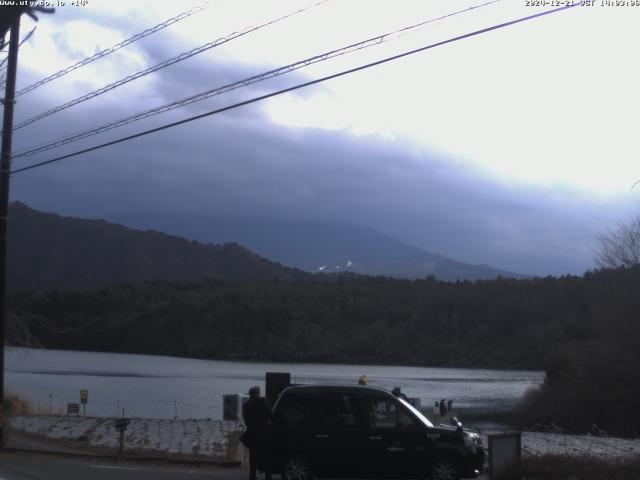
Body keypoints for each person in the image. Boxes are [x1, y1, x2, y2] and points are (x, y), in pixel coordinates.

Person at [242, 386, 273, 480]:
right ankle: (268, 476)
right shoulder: (264, 401)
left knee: (253, 457)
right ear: (257, 393)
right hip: (264, 434)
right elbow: (270, 415)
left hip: (252, 434)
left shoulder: (245, 405)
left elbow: (246, 422)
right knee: (267, 456)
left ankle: (252, 476)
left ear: (250, 395)